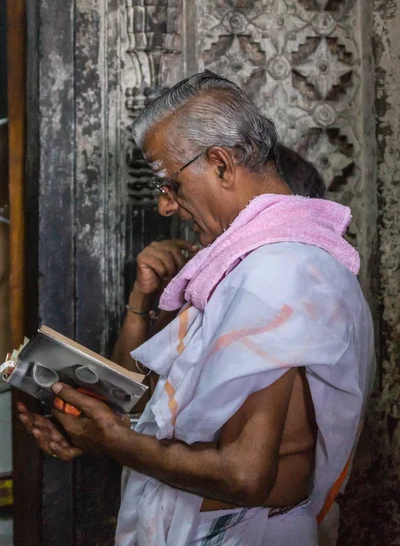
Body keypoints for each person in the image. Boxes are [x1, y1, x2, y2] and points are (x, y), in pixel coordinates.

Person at [18, 71, 374, 546]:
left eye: (171, 184)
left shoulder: (277, 271)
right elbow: (161, 409)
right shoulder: (252, 268)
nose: (166, 207)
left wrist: (113, 443)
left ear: (222, 164)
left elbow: (244, 475)